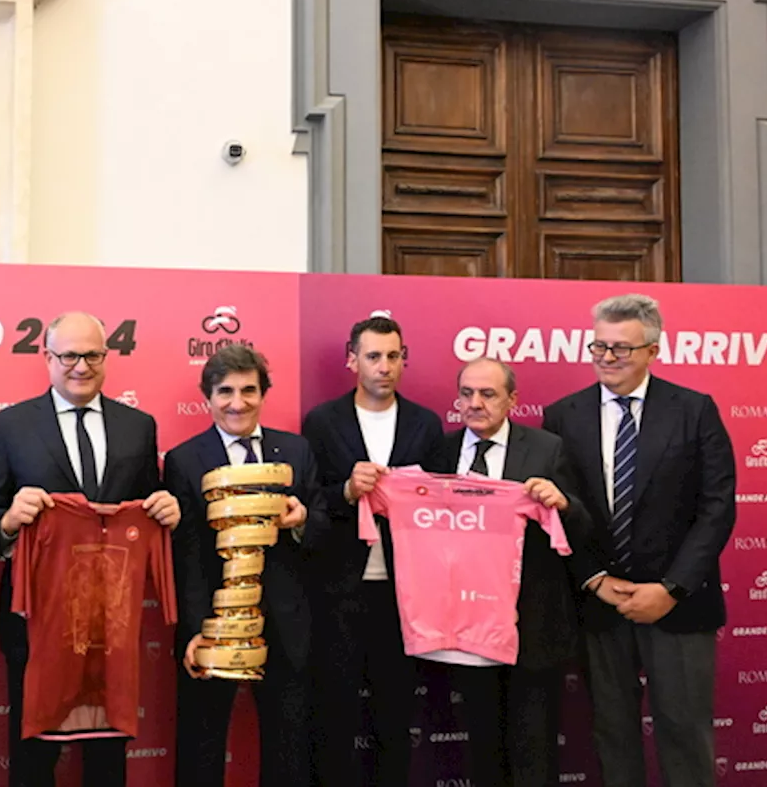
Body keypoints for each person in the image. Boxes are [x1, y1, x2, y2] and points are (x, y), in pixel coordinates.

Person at [0, 311, 180, 787]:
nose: (81, 366)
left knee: (108, 752)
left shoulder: (138, 426)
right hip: (34, 617)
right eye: (69, 355)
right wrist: (6, 521)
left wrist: (168, 510)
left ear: (106, 358)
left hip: (113, 618)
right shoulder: (8, 426)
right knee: (32, 753)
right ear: (47, 358)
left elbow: (149, 511)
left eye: (92, 355)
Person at [542, 294, 736, 787]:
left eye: (621, 349)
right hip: (602, 604)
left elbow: (716, 508)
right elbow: (561, 509)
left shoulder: (694, 410)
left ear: (653, 350)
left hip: (679, 603)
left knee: (684, 732)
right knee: (612, 733)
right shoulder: (563, 415)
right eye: (599, 347)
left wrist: (670, 589)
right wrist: (593, 579)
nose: (607, 358)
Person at [299, 315, 444, 787]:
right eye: (374, 356)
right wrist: (345, 491)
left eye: (394, 356)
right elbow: (309, 500)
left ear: (404, 359)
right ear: (352, 360)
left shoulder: (425, 424)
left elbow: (441, 506)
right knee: (334, 713)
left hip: (404, 595)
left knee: (395, 715)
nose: (385, 367)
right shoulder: (322, 421)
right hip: (339, 587)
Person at [167, 345, 319, 787]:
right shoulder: (184, 460)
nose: (238, 402)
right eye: (226, 391)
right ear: (207, 398)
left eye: (249, 390)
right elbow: (188, 554)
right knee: (202, 740)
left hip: (285, 620)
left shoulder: (295, 451)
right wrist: (198, 628)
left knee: (288, 743)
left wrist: (301, 520)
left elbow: (325, 525)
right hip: (217, 622)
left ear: (263, 393)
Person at [440, 358, 589, 787]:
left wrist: (561, 502)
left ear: (512, 401)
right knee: (482, 746)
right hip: (467, 625)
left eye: (488, 394)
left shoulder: (548, 449)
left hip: (534, 625)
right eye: (467, 393)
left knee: (534, 747)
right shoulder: (441, 452)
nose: (475, 403)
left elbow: (584, 524)